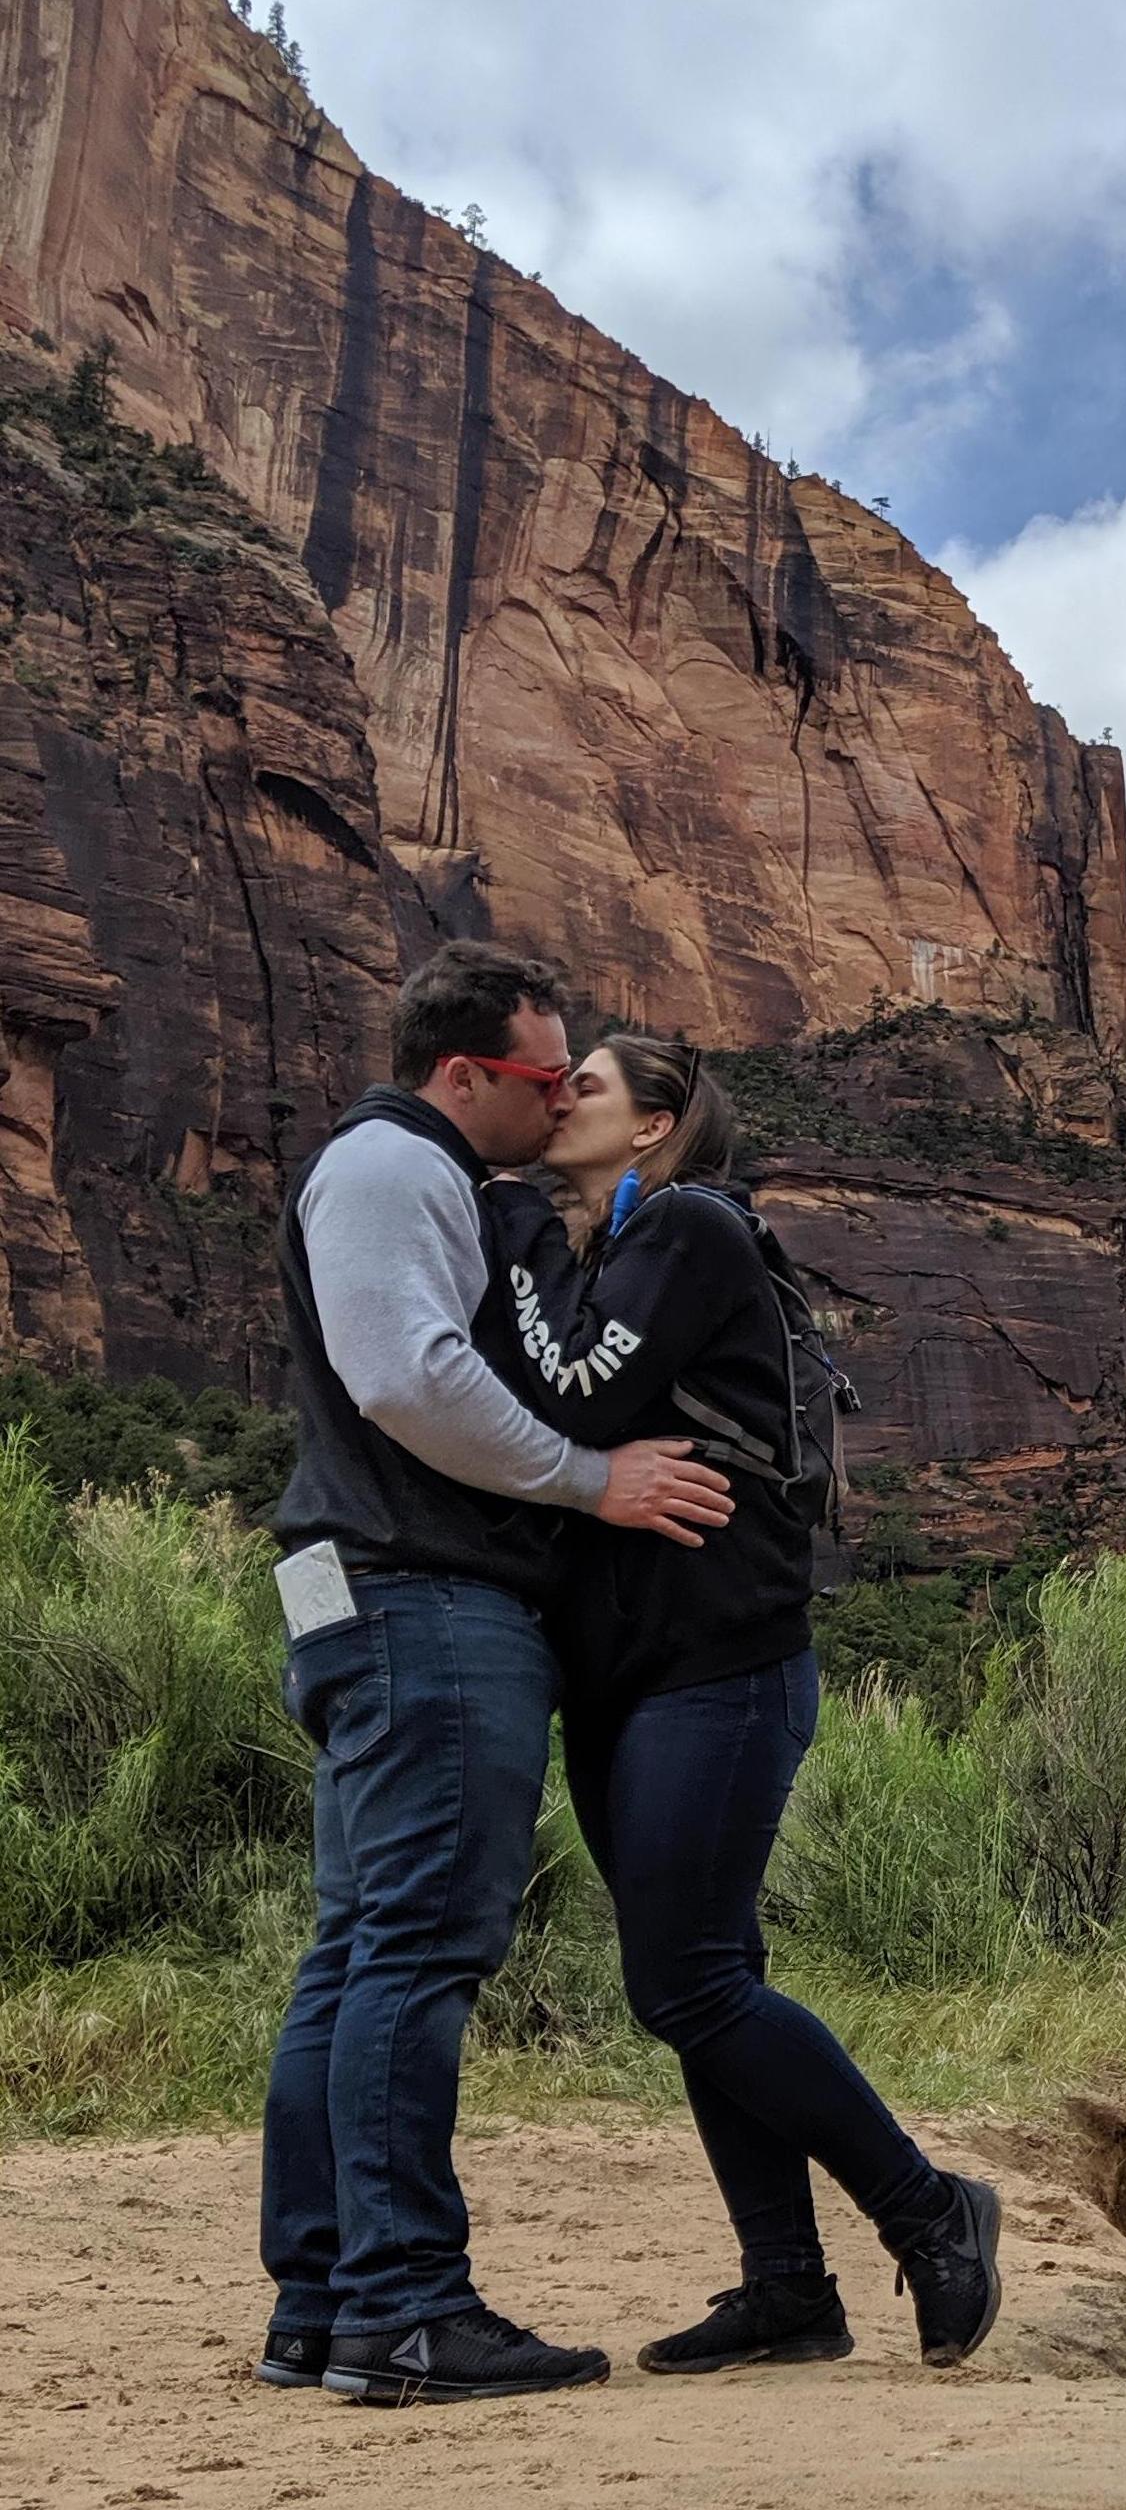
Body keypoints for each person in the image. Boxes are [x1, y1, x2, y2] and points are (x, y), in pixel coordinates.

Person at [260, 943, 738, 2406]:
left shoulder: (416, 1177)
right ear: (466, 1074)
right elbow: (407, 1374)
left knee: (360, 1947)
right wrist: (589, 1479)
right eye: (543, 1079)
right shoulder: (394, 1167)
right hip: (423, 1604)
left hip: (374, 1598)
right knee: (417, 1948)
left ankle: (326, 2304)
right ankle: (405, 2309)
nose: (554, 1105)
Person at [485, 1030, 1001, 2375]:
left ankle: (932, 2210)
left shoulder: (697, 1229)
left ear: (655, 1126)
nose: (560, 1102)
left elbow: (567, 1383)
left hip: (722, 1667)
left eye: (586, 1087)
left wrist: (525, 1231)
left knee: (690, 1981)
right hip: (624, 1681)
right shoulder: (617, 1251)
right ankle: (787, 2289)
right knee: (710, 1976)